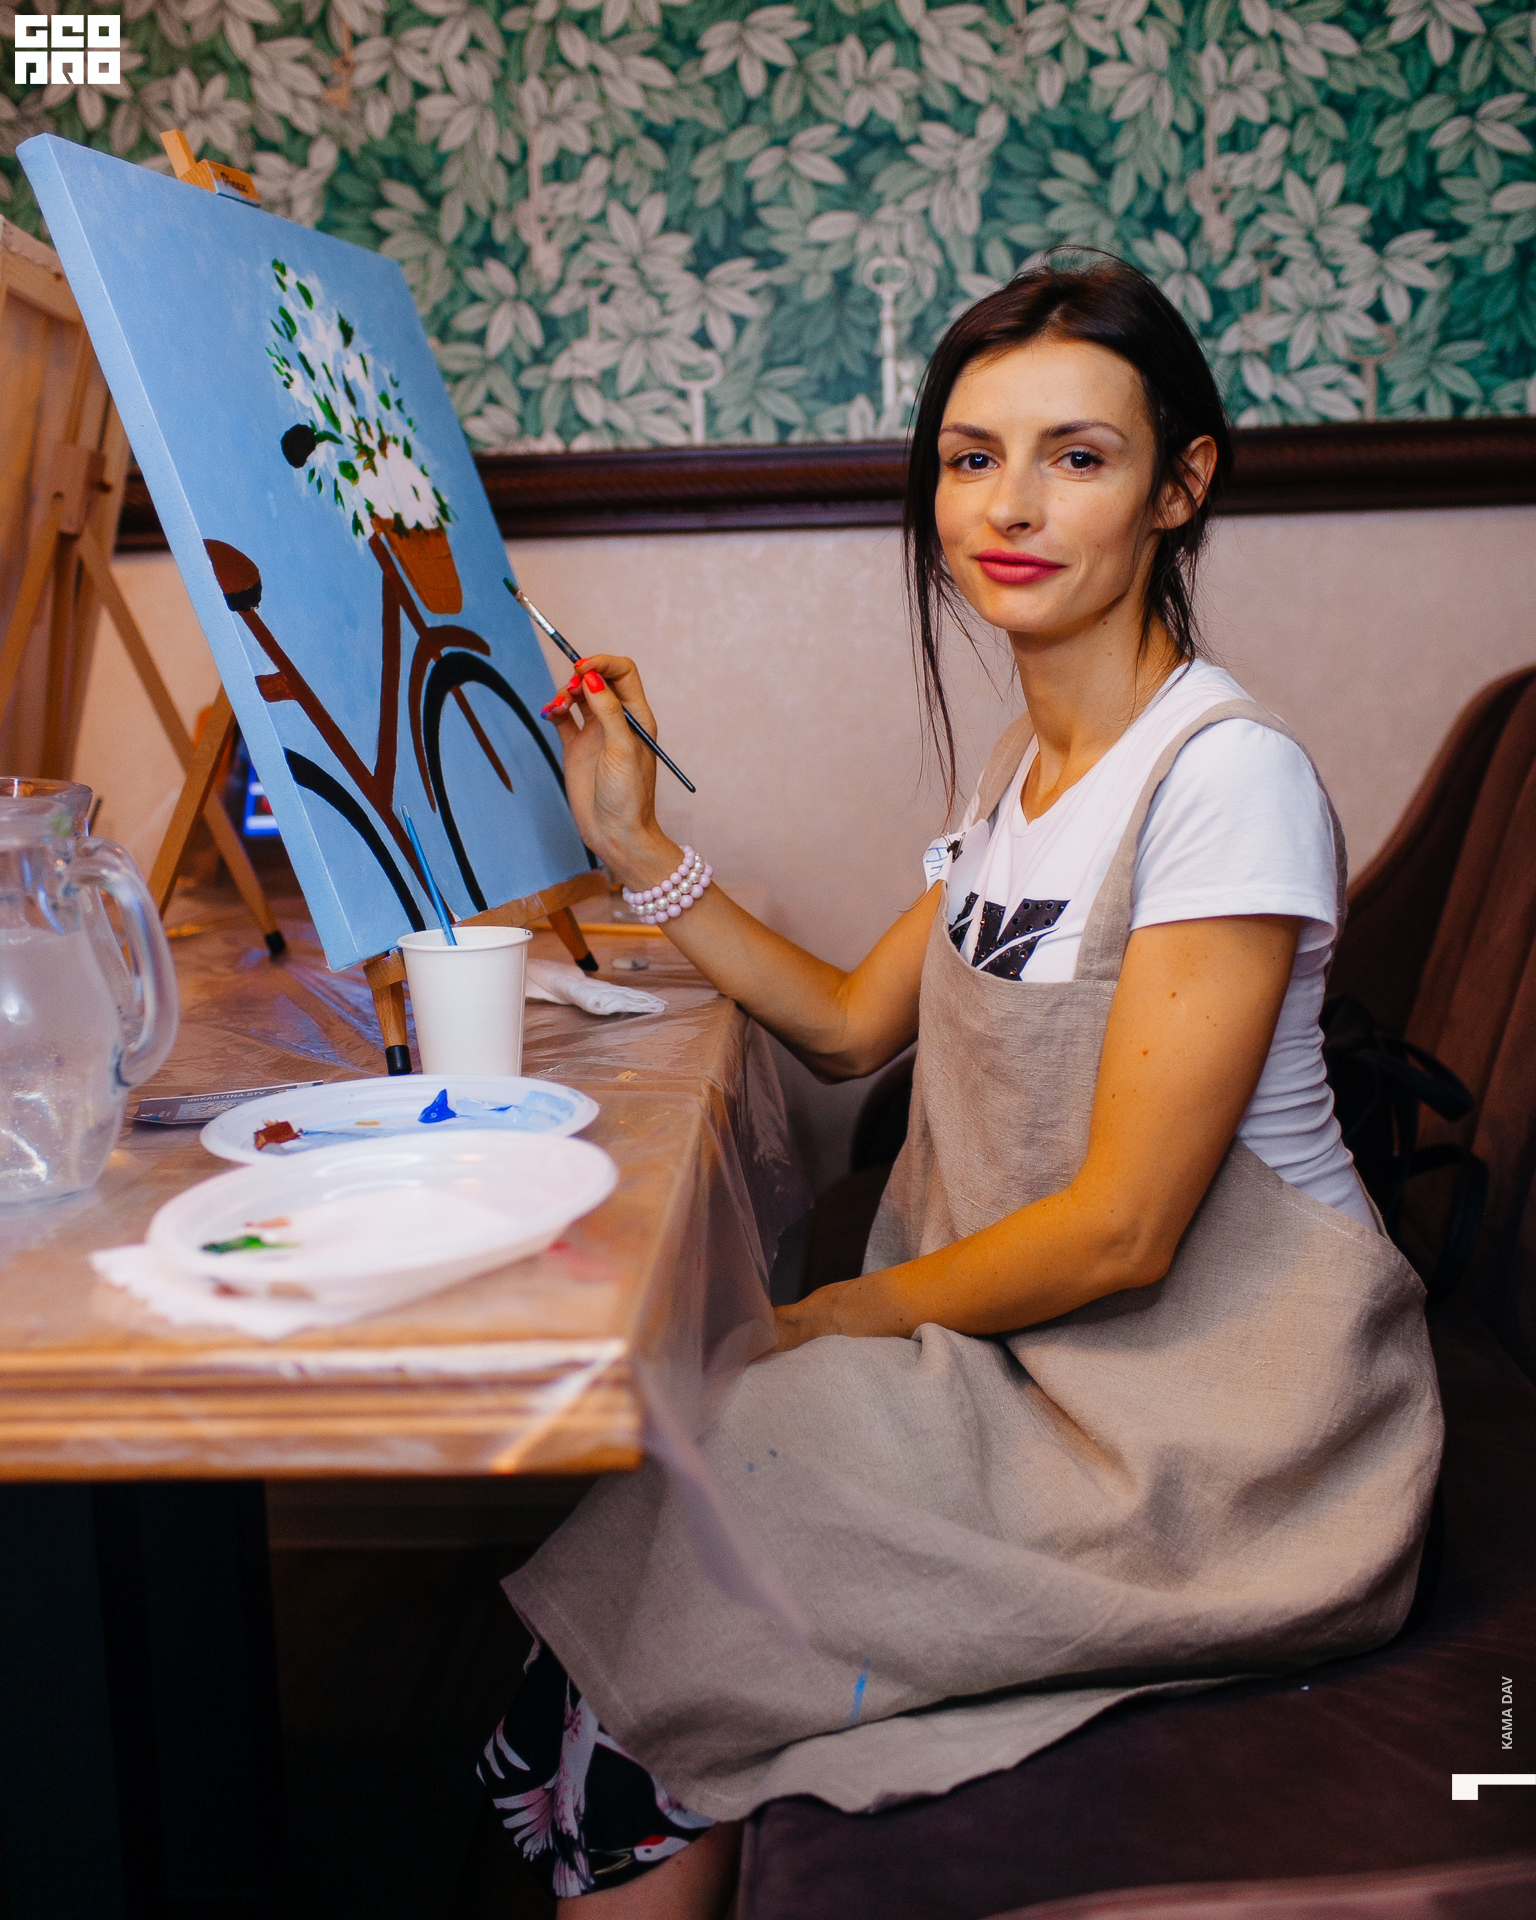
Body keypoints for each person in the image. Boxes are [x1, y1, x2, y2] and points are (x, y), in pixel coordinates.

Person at [479, 252, 1443, 1917]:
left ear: (1180, 488)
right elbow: (852, 1026)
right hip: (1039, 1371)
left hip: (1215, 1434)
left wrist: (826, 1322)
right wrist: (636, 845)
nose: (1012, 505)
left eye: (1080, 456)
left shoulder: (1226, 780)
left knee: (696, 1534)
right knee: (654, 1566)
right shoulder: (1025, 768)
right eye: (972, 456)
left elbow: (1124, 1232)